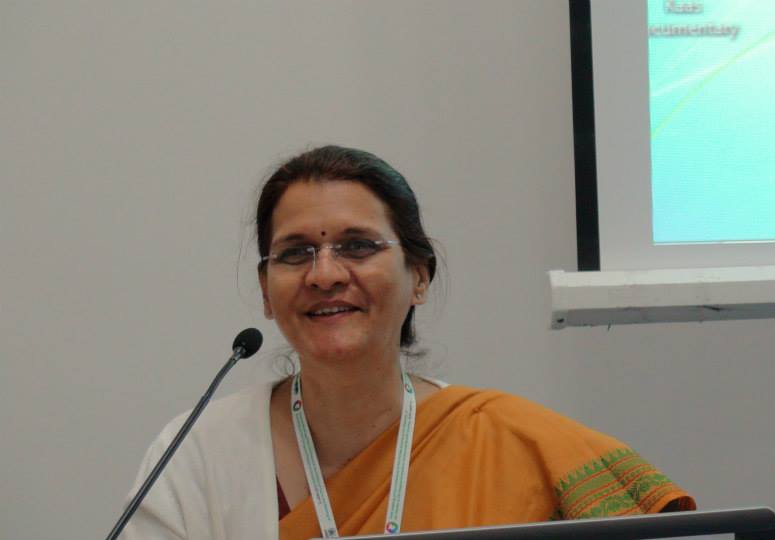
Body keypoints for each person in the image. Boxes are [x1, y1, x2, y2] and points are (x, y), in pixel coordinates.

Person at [121, 146, 695, 540]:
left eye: (357, 246)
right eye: (295, 253)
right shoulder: (196, 451)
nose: (325, 274)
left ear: (419, 276)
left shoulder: (512, 443)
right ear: (266, 292)